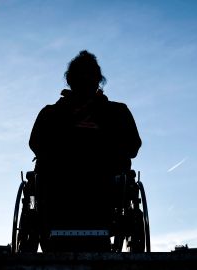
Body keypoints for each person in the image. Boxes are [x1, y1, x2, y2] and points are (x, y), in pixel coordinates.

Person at [28, 50, 141, 251]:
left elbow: (35, 144)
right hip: (104, 184)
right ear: (99, 81)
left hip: (60, 184)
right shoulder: (118, 112)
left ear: (69, 81)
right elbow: (133, 147)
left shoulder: (50, 113)